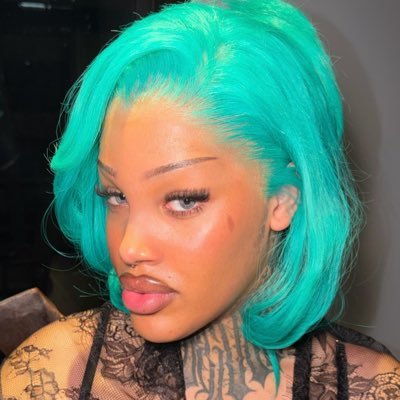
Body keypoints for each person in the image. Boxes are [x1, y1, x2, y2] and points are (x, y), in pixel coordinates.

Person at [1, 0, 399, 398]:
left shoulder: (374, 389)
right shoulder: (46, 379)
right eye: (116, 196)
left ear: (283, 200)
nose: (129, 248)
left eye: (183, 201)